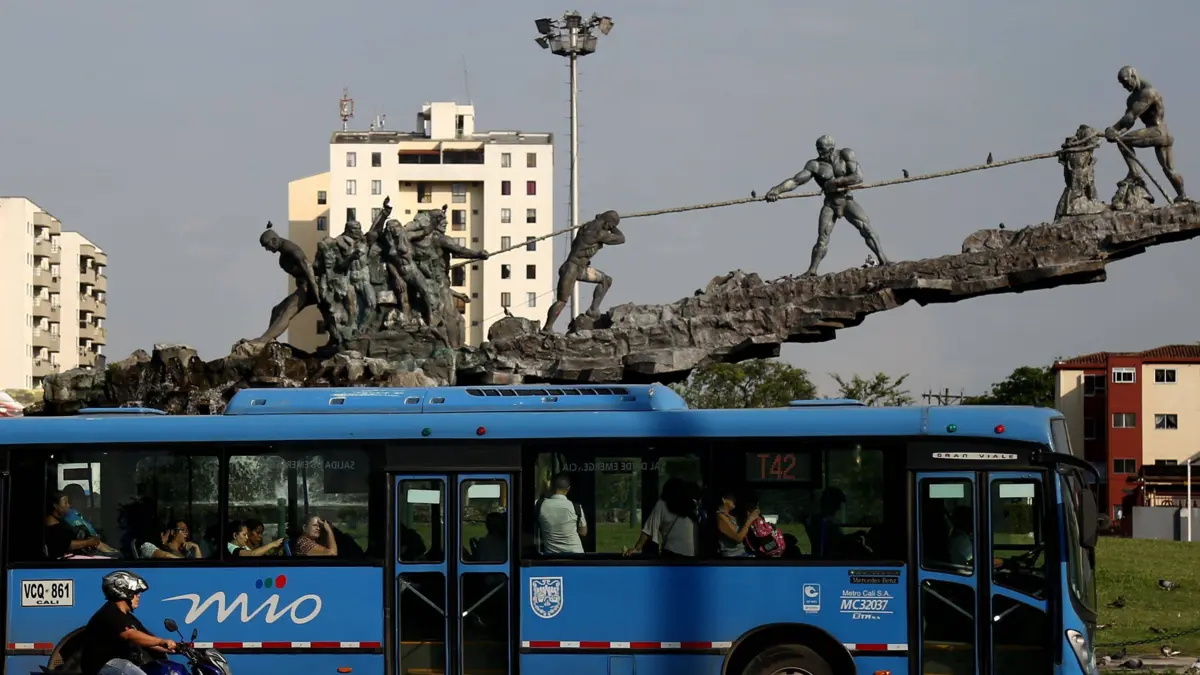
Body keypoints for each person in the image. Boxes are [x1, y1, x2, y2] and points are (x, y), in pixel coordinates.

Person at [764, 135, 889, 277]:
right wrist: (776, 190)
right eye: (818, 149)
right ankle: (812, 270)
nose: (820, 152)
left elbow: (858, 177)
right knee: (822, 238)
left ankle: (883, 260)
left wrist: (836, 182)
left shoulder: (846, 155)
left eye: (823, 149)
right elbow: (795, 181)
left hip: (846, 200)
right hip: (830, 203)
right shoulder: (815, 165)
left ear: (831, 148)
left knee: (866, 228)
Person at [1105, 65, 1188, 202]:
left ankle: (1135, 173)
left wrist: (1114, 129)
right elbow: (1129, 123)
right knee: (1168, 169)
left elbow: (1132, 116)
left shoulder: (1148, 92)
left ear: (1133, 76)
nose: (1124, 86)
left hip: (1158, 131)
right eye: (1122, 84)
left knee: (1124, 142)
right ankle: (1182, 195)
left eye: (1125, 82)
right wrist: (1116, 133)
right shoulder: (1131, 99)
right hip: (1160, 132)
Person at [80, 570, 176, 675]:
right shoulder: (110, 613)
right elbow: (130, 635)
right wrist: (160, 641)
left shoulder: (128, 618)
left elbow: (148, 642)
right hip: (102, 667)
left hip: (118, 665)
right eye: (136, 592)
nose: (139, 596)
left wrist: (175, 647)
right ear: (124, 592)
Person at [543, 210, 626, 332]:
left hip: (579, 268)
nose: (610, 229)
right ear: (608, 223)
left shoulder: (585, 226)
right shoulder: (600, 233)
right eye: (610, 226)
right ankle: (547, 327)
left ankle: (593, 310)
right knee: (562, 301)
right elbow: (621, 239)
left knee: (606, 280)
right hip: (571, 269)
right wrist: (614, 227)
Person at [624, 478, 699, 558]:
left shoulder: (662, 504)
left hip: (672, 554)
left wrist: (636, 548)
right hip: (693, 556)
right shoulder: (692, 505)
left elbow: (648, 530)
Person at [536, 473, 587, 554]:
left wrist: (542, 489)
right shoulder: (576, 507)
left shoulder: (539, 505)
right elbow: (583, 532)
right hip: (576, 555)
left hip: (551, 557)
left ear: (550, 487)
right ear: (568, 489)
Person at [45, 490, 104, 559]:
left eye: (68, 503)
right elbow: (65, 545)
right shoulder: (51, 522)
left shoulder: (62, 518)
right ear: (56, 505)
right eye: (65, 503)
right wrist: (88, 542)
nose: (68, 505)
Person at [714, 489, 758, 557]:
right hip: (733, 555)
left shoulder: (732, 515)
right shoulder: (720, 517)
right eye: (732, 498)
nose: (735, 500)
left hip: (742, 552)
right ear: (724, 499)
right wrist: (750, 520)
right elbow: (738, 538)